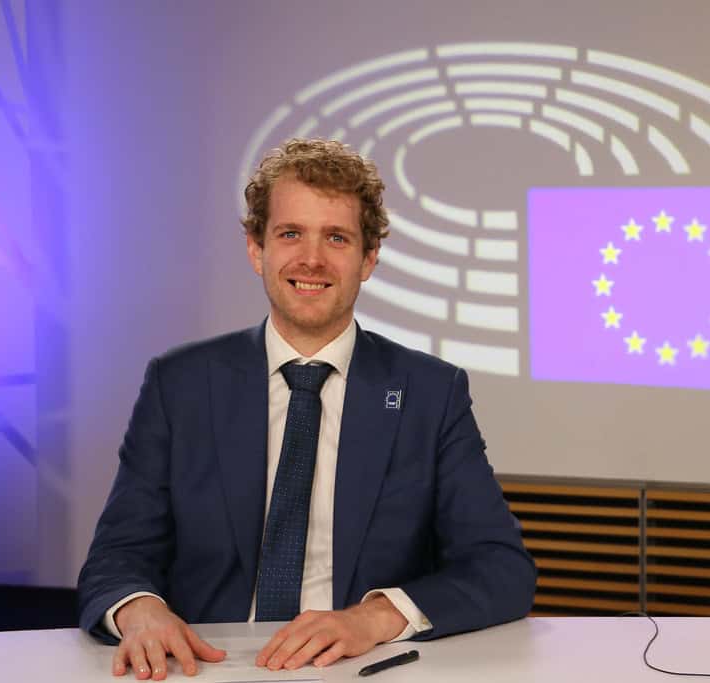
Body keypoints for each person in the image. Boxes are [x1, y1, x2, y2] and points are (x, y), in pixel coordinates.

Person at [77, 138, 536, 680]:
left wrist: (375, 617)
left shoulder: (430, 392)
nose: (311, 259)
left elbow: (501, 567)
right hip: (205, 666)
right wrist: (139, 610)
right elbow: (117, 554)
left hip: (362, 667)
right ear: (257, 249)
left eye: (336, 238)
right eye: (290, 233)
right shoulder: (179, 383)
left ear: (368, 259)